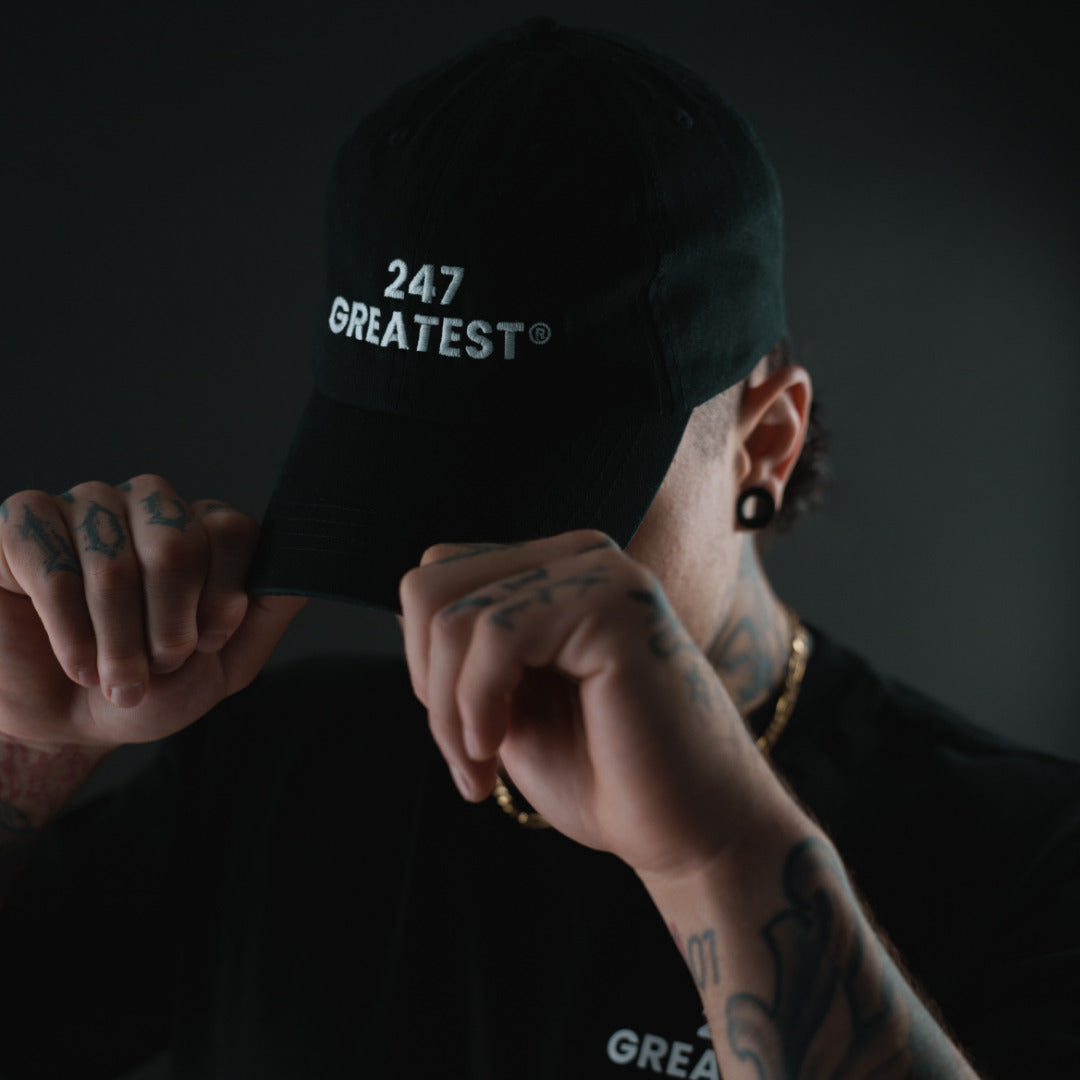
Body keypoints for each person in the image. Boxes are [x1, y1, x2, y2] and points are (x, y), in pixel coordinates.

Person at [1, 18, 1077, 1080]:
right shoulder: (266, 774)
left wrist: (716, 855)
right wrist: (21, 742)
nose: (442, 571)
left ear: (767, 444)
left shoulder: (1031, 855)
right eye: (397, 492)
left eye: (539, 502)